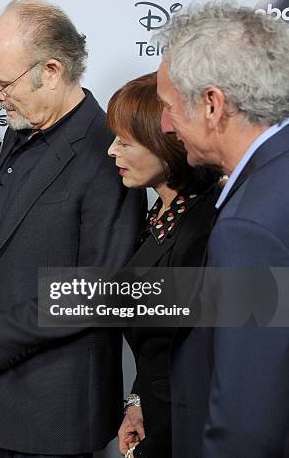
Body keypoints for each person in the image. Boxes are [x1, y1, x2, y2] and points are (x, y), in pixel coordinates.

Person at [0, 0, 144, 457]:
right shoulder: (22, 126)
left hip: (53, 412)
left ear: (51, 70)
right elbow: (19, 235)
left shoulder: (107, 152)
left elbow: (102, 288)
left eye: (3, 82)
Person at [155, 1, 289, 457]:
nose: (166, 126)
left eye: (169, 107)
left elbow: (246, 428)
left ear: (212, 104)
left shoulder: (249, 227)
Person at [106, 72, 221, 458]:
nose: (111, 151)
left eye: (125, 142)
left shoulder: (203, 225)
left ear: (164, 145)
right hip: (156, 416)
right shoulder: (161, 212)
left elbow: (193, 357)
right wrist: (137, 401)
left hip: (185, 428)